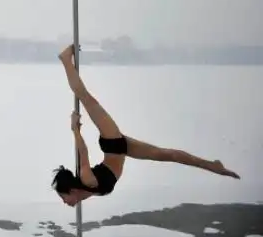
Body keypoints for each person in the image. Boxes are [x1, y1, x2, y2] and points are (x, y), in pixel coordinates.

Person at [52, 44, 240, 207]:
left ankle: (65, 60)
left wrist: (75, 129)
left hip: (114, 143)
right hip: (119, 150)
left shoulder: (86, 179)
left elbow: (83, 153)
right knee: (168, 155)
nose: (65, 203)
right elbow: (81, 176)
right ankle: (212, 166)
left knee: (86, 98)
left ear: (71, 190)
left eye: (63, 197)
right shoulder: (83, 191)